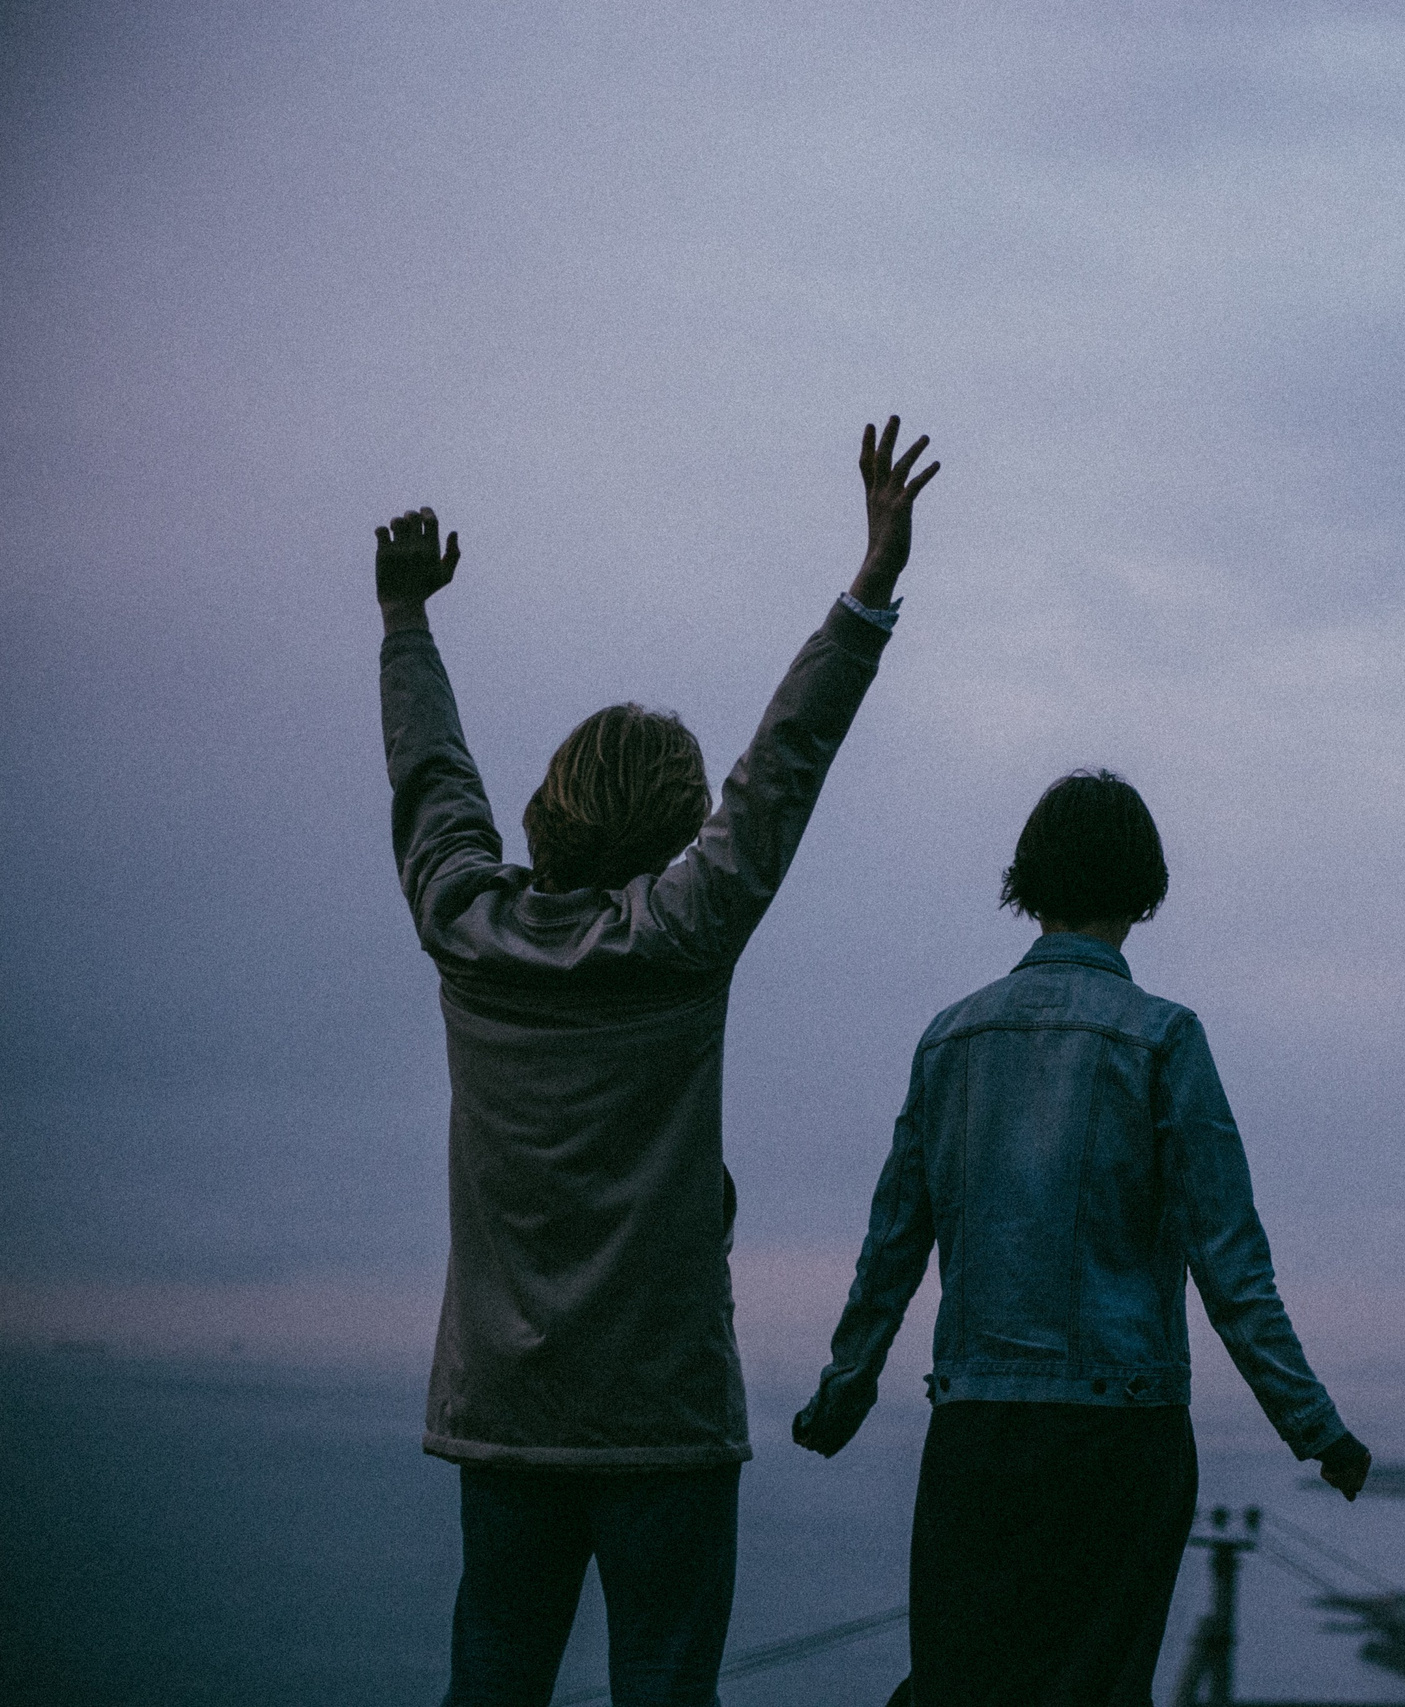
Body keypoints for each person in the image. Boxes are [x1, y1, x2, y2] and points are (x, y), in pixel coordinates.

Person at [374, 418, 940, 1707]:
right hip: (664, 1420)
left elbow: (431, 784)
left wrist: (406, 621)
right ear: (679, 828)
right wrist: (868, 588)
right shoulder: (681, 939)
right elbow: (782, 768)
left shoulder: (466, 932)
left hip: (504, 1416)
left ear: (549, 804)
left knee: (492, 1681)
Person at [794, 769, 1372, 1707]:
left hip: (976, 1432)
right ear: (1144, 888)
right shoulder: (1165, 1040)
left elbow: (890, 1247)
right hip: (1121, 1439)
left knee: (961, 1687)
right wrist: (1317, 1430)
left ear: (1029, 882)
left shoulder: (948, 1040)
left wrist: (842, 1392)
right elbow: (1233, 1266)